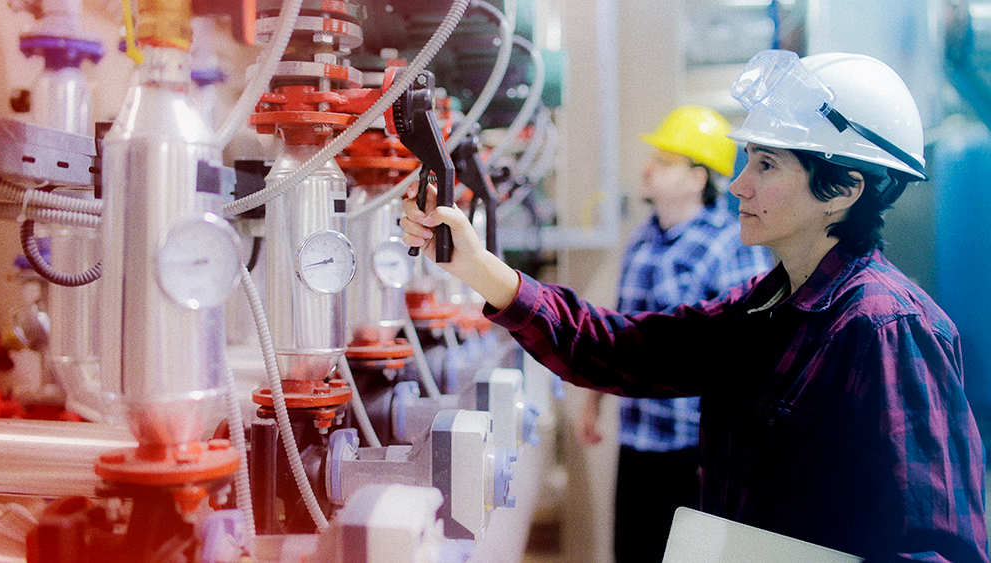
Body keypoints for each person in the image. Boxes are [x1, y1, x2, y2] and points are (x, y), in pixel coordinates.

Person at [400, 50, 989, 561]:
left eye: (766, 165)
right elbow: (619, 347)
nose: (737, 185)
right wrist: (475, 265)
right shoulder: (766, 307)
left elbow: (937, 548)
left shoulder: (886, 328)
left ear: (844, 189)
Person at [575, 105, 775, 561]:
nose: (650, 168)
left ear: (698, 178)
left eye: (666, 162)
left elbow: (750, 348)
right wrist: (594, 399)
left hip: (695, 448)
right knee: (632, 550)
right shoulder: (643, 238)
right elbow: (622, 331)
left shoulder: (731, 245)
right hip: (639, 437)